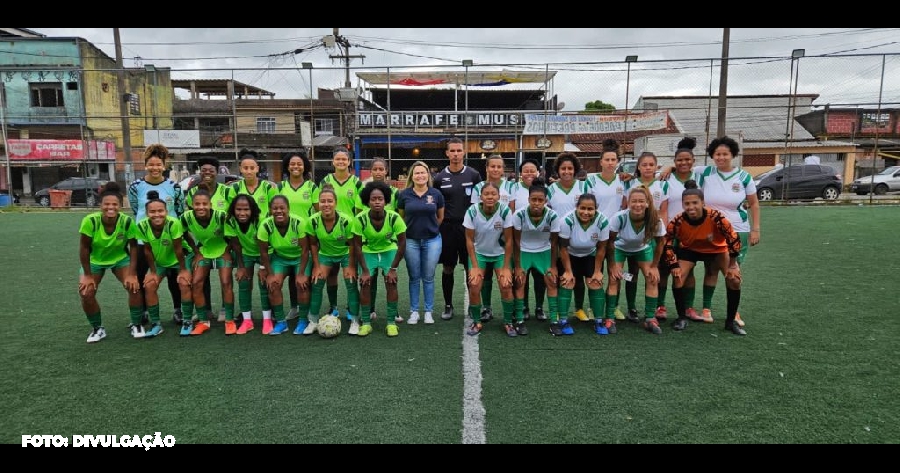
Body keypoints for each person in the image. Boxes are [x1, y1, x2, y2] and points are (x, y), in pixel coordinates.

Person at [663, 180, 746, 335]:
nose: (691, 207)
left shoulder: (716, 217)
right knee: (678, 276)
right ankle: (681, 317)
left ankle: (730, 322)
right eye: (687, 204)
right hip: (690, 250)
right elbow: (666, 242)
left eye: (695, 203)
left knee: (734, 279)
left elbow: (733, 238)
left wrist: (733, 264)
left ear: (703, 202)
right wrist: (673, 264)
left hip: (717, 250)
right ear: (682, 205)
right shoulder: (677, 221)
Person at [128, 144, 186, 325]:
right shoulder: (136, 186)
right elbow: (136, 209)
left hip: (169, 238)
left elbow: (179, 210)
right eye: (151, 164)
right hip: (143, 238)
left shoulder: (174, 186)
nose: (155, 168)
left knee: (173, 276)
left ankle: (178, 310)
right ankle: (144, 311)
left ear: (164, 166)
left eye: (158, 164)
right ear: (145, 165)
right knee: (141, 275)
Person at [78, 182, 142, 343]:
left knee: (134, 287)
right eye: (107, 204)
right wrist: (87, 275)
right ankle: (97, 329)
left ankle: (137, 324)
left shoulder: (127, 222)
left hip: (120, 259)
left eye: (115, 204)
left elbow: (134, 247)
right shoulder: (90, 221)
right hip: (95, 261)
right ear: (100, 205)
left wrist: (133, 274)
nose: (110, 207)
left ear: (120, 206)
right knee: (86, 293)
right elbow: (84, 248)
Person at [606, 186, 666, 335]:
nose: (637, 205)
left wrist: (654, 266)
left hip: (641, 249)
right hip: (620, 248)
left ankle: (650, 318)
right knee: (614, 279)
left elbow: (660, 243)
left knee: (652, 278)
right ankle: (609, 318)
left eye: (641, 201)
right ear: (628, 203)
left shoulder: (655, 219)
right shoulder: (619, 217)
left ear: (647, 203)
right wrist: (612, 265)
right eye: (634, 201)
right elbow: (609, 241)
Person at [433, 137, 481, 321]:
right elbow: (437, 205)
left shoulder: (473, 175)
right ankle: (448, 305)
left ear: (464, 152)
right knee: (448, 267)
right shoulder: (439, 178)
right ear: (447, 153)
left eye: (458, 150)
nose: (455, 154)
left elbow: (480, 201)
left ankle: (473, 305)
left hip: (468, 228)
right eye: (452, 151)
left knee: (471, 268)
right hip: (448, 229)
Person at [655, 137, 703, 323]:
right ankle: (660, 305)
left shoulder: (700, 177)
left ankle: (688, 307)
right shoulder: (666, 180)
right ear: (674, 162)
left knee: (688, 271)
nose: (684, 162)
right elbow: (662, 208)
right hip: (670, 232)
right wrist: (665, 232)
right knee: (664, 269)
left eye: (687, 160)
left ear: (693, 161)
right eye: (679, 160)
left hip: (691, 233)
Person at [304, 185, 362, 335]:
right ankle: (313, 320)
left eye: (330, 201)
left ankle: (355, 320)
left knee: (350, 281)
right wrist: (316, 266)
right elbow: (312, 244)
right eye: (322, 201)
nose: (326, 204)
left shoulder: (347, 221)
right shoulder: (312, 221)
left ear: (336, 203)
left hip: (345, 254)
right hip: (325, 254)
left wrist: (349, 265)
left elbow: (352, 245)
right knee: (317, 282)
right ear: (318, 203)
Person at [313, 149, 363, 319]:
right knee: (331, 274)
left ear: (349, 161)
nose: (341, 162)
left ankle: (351, 308)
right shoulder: (326, 180)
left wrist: (354, 232)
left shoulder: (356, 183)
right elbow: (318, 203)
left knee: (350, 273)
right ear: (333, 162)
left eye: (344, 159)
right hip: (328, 233)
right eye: (337, 159)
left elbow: (359, 210)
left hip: (348, 234)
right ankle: (333, 307)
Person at [135, 190, 192, 338]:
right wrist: (153, 272)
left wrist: (184, 270)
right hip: (160, 262)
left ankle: (187, 321)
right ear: (147, 213)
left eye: (160, 211)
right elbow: (147, 250)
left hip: (180, 260)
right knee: (149, 285)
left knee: (184, 283)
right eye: (152, 211)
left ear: (166, 211)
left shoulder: (174, 223)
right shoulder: (141, 226)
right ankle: (156, 324)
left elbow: (179, 249)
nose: (157, 214)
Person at [353, 180, 407, 337]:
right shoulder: (360, 219)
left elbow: (402, 242)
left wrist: (393, 269)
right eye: (373, 199)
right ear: (367, 201)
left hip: (388, 250)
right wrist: (364, 270)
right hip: (368, 251)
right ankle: (366, 322)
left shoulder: (394, 217)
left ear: (386, 200)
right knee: (365, 283)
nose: (377, 202)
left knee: (391, 282)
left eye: (380, 199)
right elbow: (357, 245)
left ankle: (391, 323)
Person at [621, 151, 669, 324]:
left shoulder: (663, 185)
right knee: (630, 273)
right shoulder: (630, 183)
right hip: (631, 235)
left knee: (652, 273)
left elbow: (663, 211)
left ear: (656, 167)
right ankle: (631, 308)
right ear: (638, 167)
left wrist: (660, 233)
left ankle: (654, 309)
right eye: (644, 164)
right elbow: (625, 207)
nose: (648, 168)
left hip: (650, 236)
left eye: (651, 164)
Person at [511, 179, 564, 336]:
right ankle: (519, 320)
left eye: (540, 200)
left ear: (545, 201)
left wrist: (553, 266)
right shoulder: (519, 215)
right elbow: (516, 241)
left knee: (552, 281)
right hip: (524, 251)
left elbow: (554, 243)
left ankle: (554, 321)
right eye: (533, 199)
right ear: (528, 200)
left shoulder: (552, 216)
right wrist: (518, 266)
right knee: (520, 282)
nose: (536, 203)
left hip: (544, 252)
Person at [185, 157, 235, 324]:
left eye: (211, 170)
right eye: (204, 170)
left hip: (224, 241)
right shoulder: (193, 193)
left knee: (225, 278)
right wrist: (196, 250)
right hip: (204, 242)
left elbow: (232, 215)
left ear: (216, 172)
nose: (207, 173)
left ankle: (224, 309)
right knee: (201, 277)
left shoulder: (226, 191)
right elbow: (193, 217)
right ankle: (205, 310)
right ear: (200, 172)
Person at [463, 182, 516, 336]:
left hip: (499, 254)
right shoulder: (472, 211)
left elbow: (509, 241)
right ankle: (477, 322)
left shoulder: (505, 211)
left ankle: (508, 323)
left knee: (506, 285)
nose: (490, 197)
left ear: (499, 196)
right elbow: (469, 240)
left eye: (493, 194)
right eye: (486, 194)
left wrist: (506, 267)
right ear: (481, 197)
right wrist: (474, 266)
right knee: (474, 284)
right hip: (479, 253)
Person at [180, 188, 234, 336]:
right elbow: (183, 233)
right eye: (197, 204)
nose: (201, 207)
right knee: (196, 282)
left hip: (222, 249)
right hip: (204, 252)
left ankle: (229, 320)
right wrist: (196, 251)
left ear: (210, 204)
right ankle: (203, 321)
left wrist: (228, 251)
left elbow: (233, 236)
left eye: (205, 204)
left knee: (225, 282)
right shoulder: (186, 217)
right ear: (192, 204)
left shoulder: (221, 216)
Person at [397, 160, 445, 325]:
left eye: (423, 172)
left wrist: (430, 229)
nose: (420, 175)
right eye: (416, 173)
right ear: (412, 176)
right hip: (410, 241)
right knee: (414, 277)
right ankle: (414, 311)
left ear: (428, 175)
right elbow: (401, 218)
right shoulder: (404, 194)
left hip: (432, 240)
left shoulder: (436, 194)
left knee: (429, 277)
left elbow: (440, 217)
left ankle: (429, 311)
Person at [546, 152, 592, 323]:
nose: (566, 171)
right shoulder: (550, 190)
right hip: (559, 238)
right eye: (563, 168)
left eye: (570, 168)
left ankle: (578, 309)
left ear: (575, 170)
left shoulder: (583, 187)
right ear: (558, 170)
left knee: (579, 276)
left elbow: (590, 209)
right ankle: (558, 310)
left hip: (580, 236)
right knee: (561, 274)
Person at [558, 194, 612, 336]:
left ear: (596, 209)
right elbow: (562, 248)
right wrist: (568, 271)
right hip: (570, 254)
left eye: (590, 209)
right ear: (577, 207)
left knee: (595, 282)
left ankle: (598, 321)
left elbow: (601, 248)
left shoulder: (603, 221)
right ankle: (563, 321)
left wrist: (598, 271)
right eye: (582, 208)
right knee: (567, 281)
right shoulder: (566, 221)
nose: (586, 212)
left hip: (590, 254)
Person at [586, 139, 628, 321]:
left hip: (616, 235)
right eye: (607, 159)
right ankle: (591, 307)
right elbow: (586, 205)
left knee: (616, 272)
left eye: (613, 160)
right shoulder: (590, 179)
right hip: (595, 234)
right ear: (601, 162)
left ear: (617, 162)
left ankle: (615, 306)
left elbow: (625, 205)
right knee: (594, 272)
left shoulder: (624, 181)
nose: (610, 163)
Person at [257, 195, 310, 336]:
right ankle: (281, 322)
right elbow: (263, 252)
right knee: (273, 284)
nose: (278, 211)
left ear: (288, 209)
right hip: (280, 258)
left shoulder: (299, 223)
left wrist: (301, 274)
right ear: (270, 210)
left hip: (299, 258)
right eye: (275, 208)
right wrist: (269, 273)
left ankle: (303, 320)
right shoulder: (265, 225)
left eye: (282, 208)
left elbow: (305, 250)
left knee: (302, 284)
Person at [469, 154, 513, 323]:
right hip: (482, 240)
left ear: (503, 169)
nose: (495, 169)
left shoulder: (511, 186)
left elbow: (511, 211)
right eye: (492, 166)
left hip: (502, 241)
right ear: (486, 168)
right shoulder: (478, 187)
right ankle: (486, 308)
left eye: (499, 167)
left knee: (507, 281)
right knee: (482, 278)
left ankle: (512, 316)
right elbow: (476, 212)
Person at [355, 157, 399, 322]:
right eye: (376, 169)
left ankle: (392, 314)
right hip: (369, 241)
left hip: (388, 241)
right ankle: (370, 310)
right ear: (371, 171)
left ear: (386, 171)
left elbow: (398, 216)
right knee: (368, 279)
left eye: (382, 169)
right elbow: (359, 213)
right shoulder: (364, 191)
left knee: (391, 279)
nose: (379, 172)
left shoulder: (394, 192)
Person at [277, 151, 317, 322]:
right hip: (285, 236)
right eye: (292, 164)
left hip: (306, 235)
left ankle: (308, 309)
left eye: (299, 164)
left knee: (306, 274)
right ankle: (294, 308)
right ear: (287, 166)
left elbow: (318, 211)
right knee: (292, 274)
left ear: (304, 166)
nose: (296, 166)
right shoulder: (279, 187)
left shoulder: (312, 187)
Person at [225, 194, 272, 335]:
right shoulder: (230, 221)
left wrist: (263, 268)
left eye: (246, 209)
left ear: (252, 210)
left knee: (263, 283)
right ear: (233, 210)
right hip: (246, 254)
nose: (242, 213)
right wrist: (241, 267)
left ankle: (267, 320)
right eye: (238, 209)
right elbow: (236, 245)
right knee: (243, 282)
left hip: (266, 253)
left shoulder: (260, 221)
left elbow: (264, 248)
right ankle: (247, 320)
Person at [508, 159, 546, 321]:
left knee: (540, 277)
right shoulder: (514, 188)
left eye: (532, 170)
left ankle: (539, 307)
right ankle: (523, 306)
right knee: (522, 277)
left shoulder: (545, 190)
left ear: (538, 172)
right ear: (520, 173)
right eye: (526, 170)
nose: (529, 173)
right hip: (521, 241)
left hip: (541, 242)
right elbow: (511, 211)